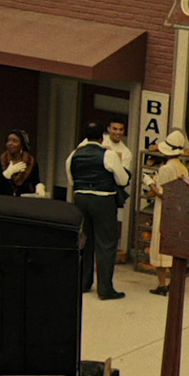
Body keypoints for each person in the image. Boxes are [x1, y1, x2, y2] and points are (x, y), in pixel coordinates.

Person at [67, 121, 131, 300]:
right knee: (106, 243)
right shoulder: (108, 155)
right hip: (103, 199)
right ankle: (105, 288)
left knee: (85, 240)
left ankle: (84, 282)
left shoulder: (74, 155)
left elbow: (71, 181)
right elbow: (122, 179)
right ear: (102, 136)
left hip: (80, 198)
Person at [143, 130, 189, 296]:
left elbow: (162, 193)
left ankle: (161, 284)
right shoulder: (183, 169)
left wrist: (150, 182)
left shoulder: (166, 169)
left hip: (164, 210)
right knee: (173, 247)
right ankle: (173, 284)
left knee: (159, 246)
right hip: (178, 212)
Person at [0, 129, 41, 197]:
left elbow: (35, 182)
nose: (10, 143)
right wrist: (7, 173)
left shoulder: (31, 163)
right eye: (8, 140)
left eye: (14, 141)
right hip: (3, 200)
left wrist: (39, 187)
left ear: (22, 145)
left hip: (23, 201)